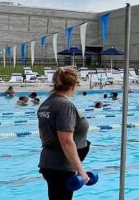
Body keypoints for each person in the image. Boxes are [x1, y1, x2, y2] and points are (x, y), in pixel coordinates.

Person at [38, 67, 92, 200]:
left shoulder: (46, 104)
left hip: (49, 162)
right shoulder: (64, 105)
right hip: (61, 166)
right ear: (74, 85)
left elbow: (43, 135)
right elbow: (66, 140)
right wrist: (81, 171)